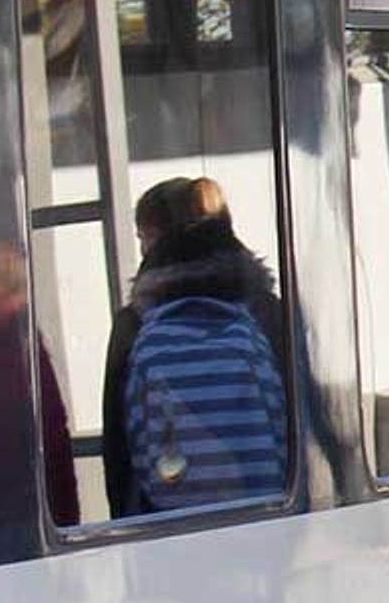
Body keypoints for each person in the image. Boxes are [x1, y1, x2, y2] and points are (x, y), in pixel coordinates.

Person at [104, 175, 291, 517]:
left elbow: (120, 458)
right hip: (266, 525)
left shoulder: (135, 324)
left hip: (169, 535)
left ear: (160, 237)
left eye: (143, 237)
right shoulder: (268, 312)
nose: (143, 250)